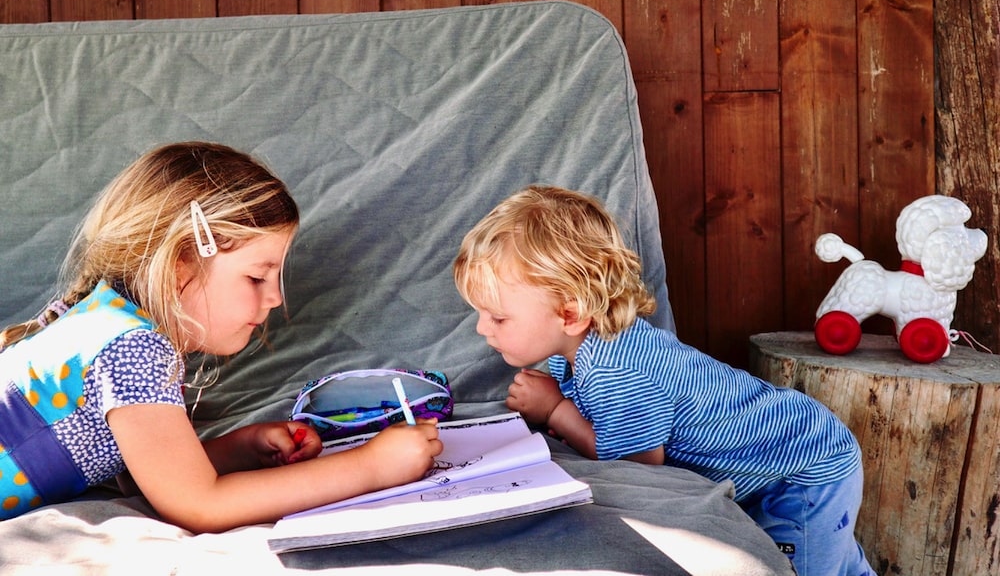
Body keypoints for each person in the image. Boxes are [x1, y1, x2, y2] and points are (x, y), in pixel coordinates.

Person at [0, 141, 441, 532]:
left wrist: (242, 448)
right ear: (179, 265)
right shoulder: (132, 347)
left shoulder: (107, 319)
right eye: (256, 277)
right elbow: (198, 504)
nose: (275, 298)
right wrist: (371, 467)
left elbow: (145, 471)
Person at [453, 185, 875, 576]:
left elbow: (639, 464)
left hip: (800, 472)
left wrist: (554, 410)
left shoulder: (618, 372)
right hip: (791, 449)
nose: (481, 328)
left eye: (498, 317)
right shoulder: (584, 348)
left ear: (570, 314)